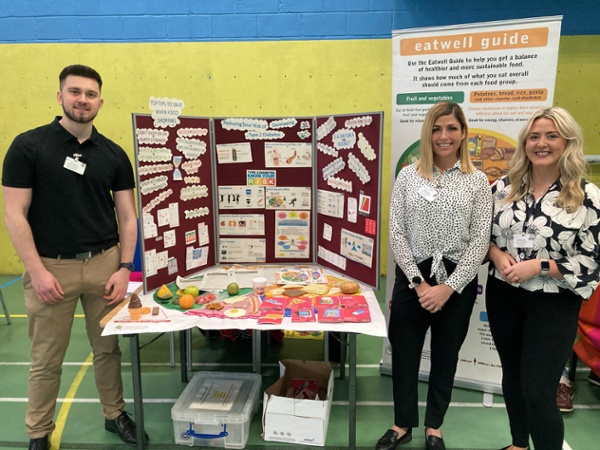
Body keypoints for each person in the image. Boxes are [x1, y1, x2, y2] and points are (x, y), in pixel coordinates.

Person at [2, 65, 147, 450]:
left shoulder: (113, 154)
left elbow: (128, 215)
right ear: (60, 96)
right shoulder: (28, 146)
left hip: (105, 266)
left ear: (101, 101)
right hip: (50, 268)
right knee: (47, 359)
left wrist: (124, 267)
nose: (82, 100)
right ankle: (38, 431)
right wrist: (37, 271)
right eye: (75, 92)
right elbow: (14, 214)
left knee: (107, 349)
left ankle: (114, 414)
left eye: (90, 94)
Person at [379, 101, 493, 450]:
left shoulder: (477, 181)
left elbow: (480, 240)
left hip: (457, 281)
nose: (443, 136)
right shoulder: (408, 176)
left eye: (451, 129)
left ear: (462, 134)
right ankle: (402, 424)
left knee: (445, 357)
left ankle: (434, 427)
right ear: (427, 132)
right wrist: (419, 283)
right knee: (405, 355)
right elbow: (397, 232)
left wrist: (449, 288)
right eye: (436, 128)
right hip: (412, 279)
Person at [486, 107, 600, 450]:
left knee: (538, 390)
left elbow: (592, 260)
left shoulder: (586, 195)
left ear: (567, 141)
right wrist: (496, 255)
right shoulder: (504, 187)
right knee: (513, 378)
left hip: (554, 302)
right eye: (534, 136)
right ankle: (519, 443)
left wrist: (539, 267)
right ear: (525, 143)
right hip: (504, 295)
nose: (542, 143)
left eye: (551, 135)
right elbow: (483, 237)